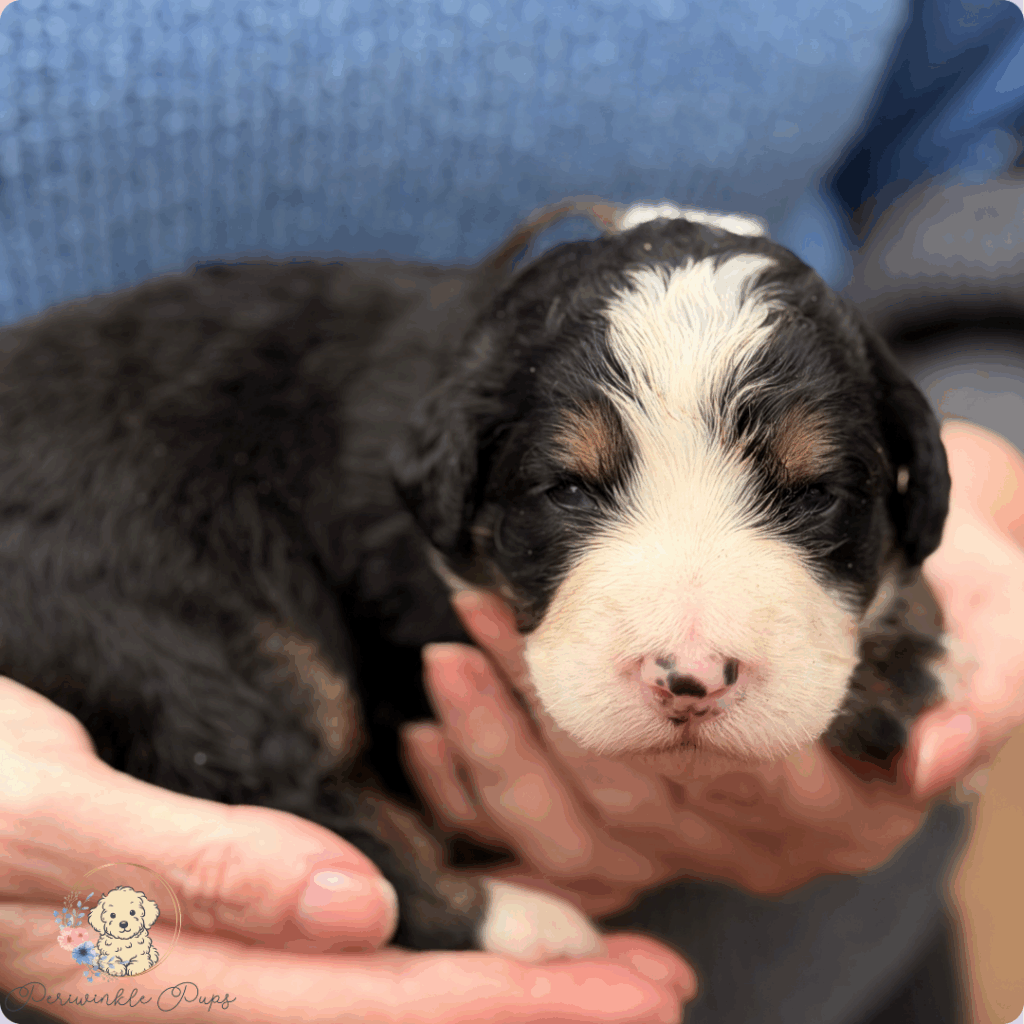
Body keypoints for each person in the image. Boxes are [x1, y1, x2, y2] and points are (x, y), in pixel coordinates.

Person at [2, 418, 1021, 1023]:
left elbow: (975, 162)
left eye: (809, 495)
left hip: (839, 967)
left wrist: (981, 445)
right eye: (570, 490)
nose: (690, 658)